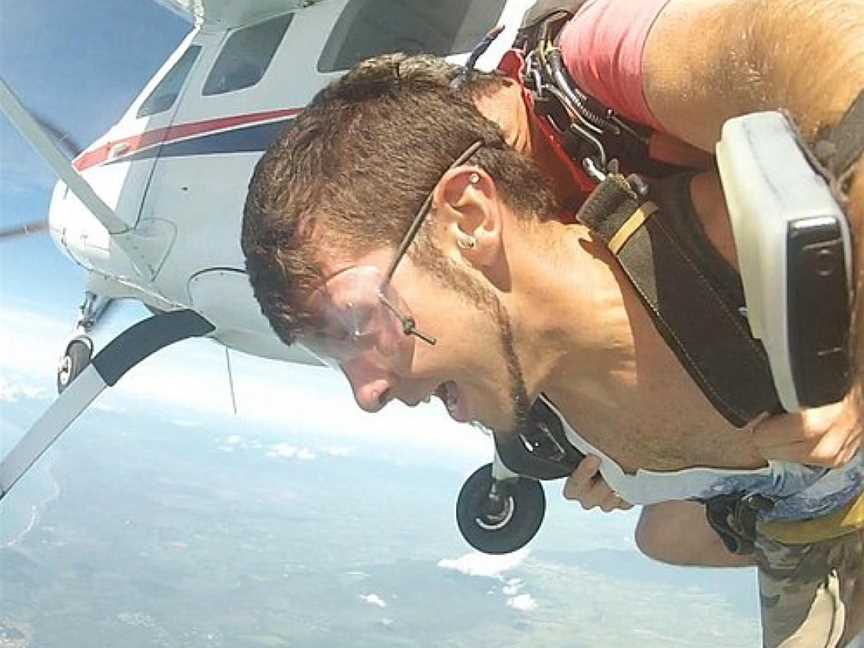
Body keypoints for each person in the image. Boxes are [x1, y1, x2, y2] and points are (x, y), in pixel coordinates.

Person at [241, 1, 864, 645]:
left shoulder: (593, 73)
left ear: (471, 213)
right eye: (329, 350)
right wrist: (638, 452)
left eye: (352, 321)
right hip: (800, 502)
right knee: (661, 536)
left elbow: (824, 51)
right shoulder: (552, 403)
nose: (365, 396)